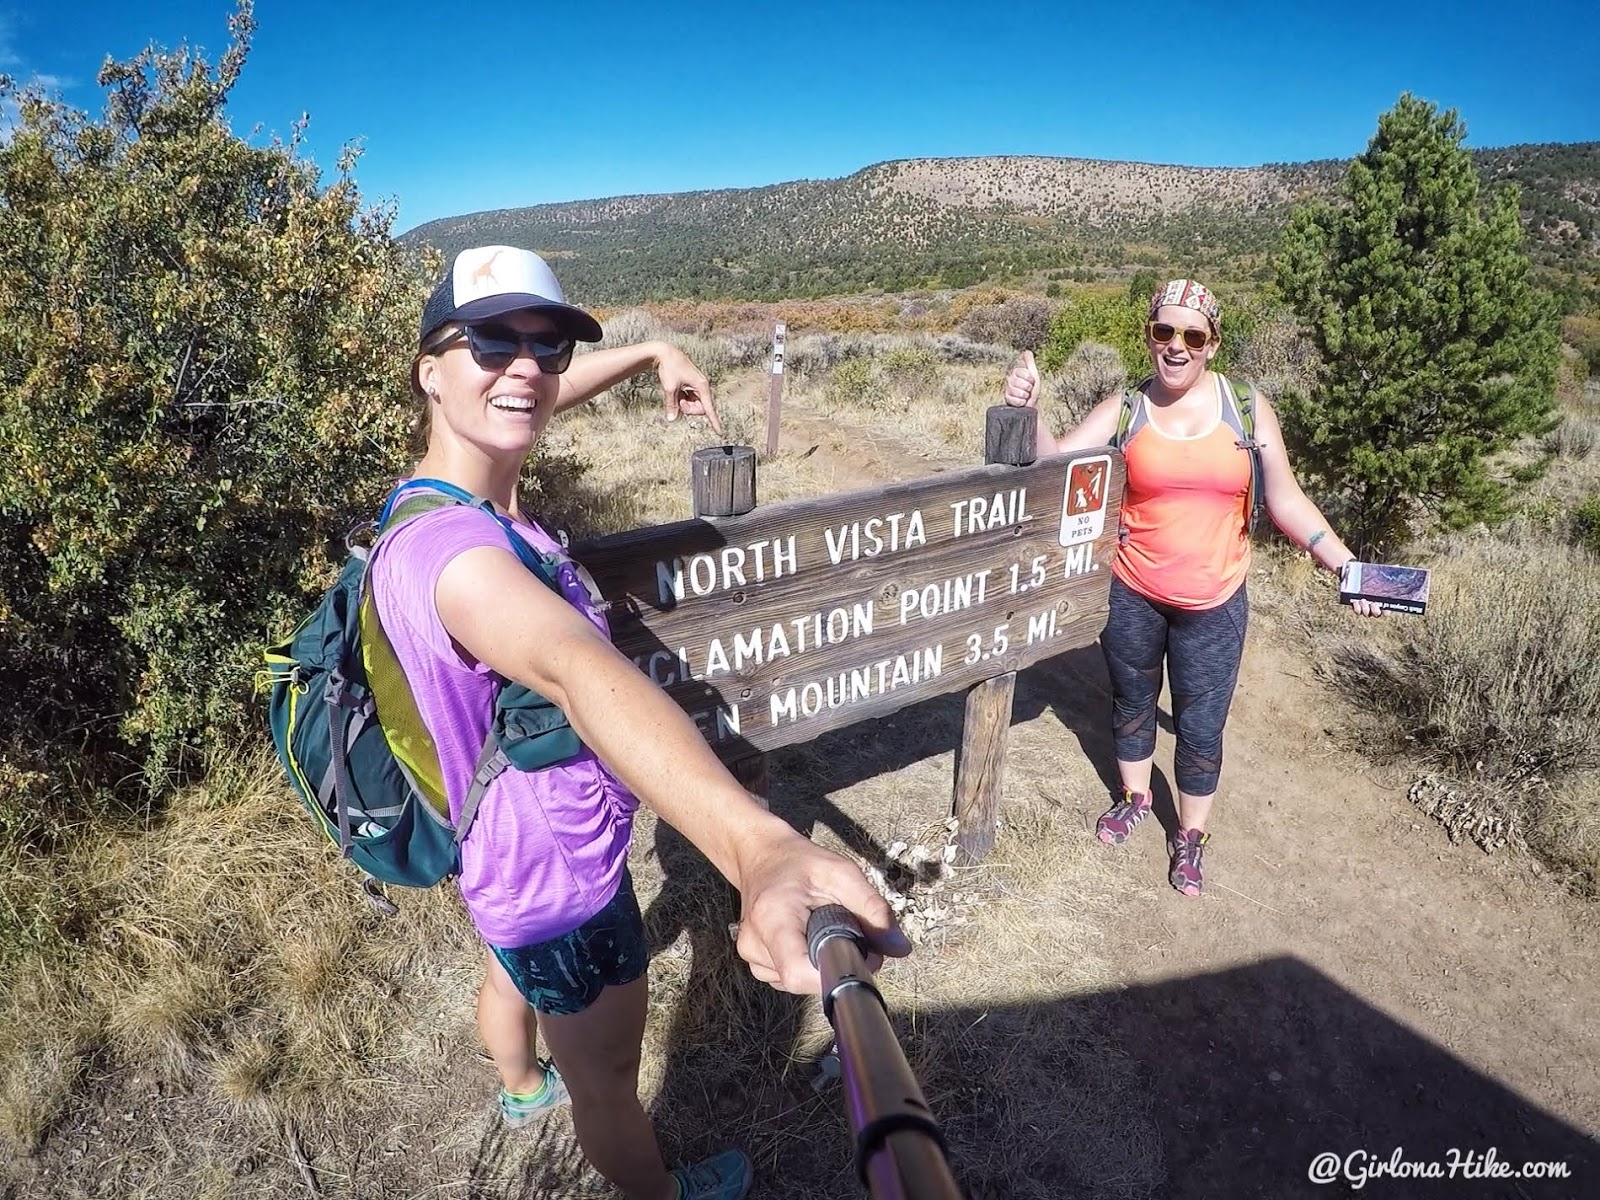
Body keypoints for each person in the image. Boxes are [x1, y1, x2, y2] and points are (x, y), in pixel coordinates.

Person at [374, 244, 907, 1200]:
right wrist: (757, 849)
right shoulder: (452, 555)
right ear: (429, 367)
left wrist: (653, 351)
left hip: (498, 861)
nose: (526, 369)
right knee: (612, 1086)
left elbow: (525, 398)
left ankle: (519, 1086)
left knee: (510, 974)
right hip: (564, 884)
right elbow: (580, 674)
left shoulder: (450, 488)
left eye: (547, 347)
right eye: (493, 343)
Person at [1001, 278, 1381, 898]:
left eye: (1193, 335)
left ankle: (1190, 837)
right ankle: (1133, 797)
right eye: (1164, 331)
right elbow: (1060, 468)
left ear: (1212, 343)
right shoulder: (1126, 407)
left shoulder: (1247, 409)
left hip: (1215, 602)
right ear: (1149, 335)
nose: (1176, 346)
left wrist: (1344, 566)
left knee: (1201, 727)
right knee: (1130, 703)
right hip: (1132, 590)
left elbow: (1285, 500)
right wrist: (1029, 410)